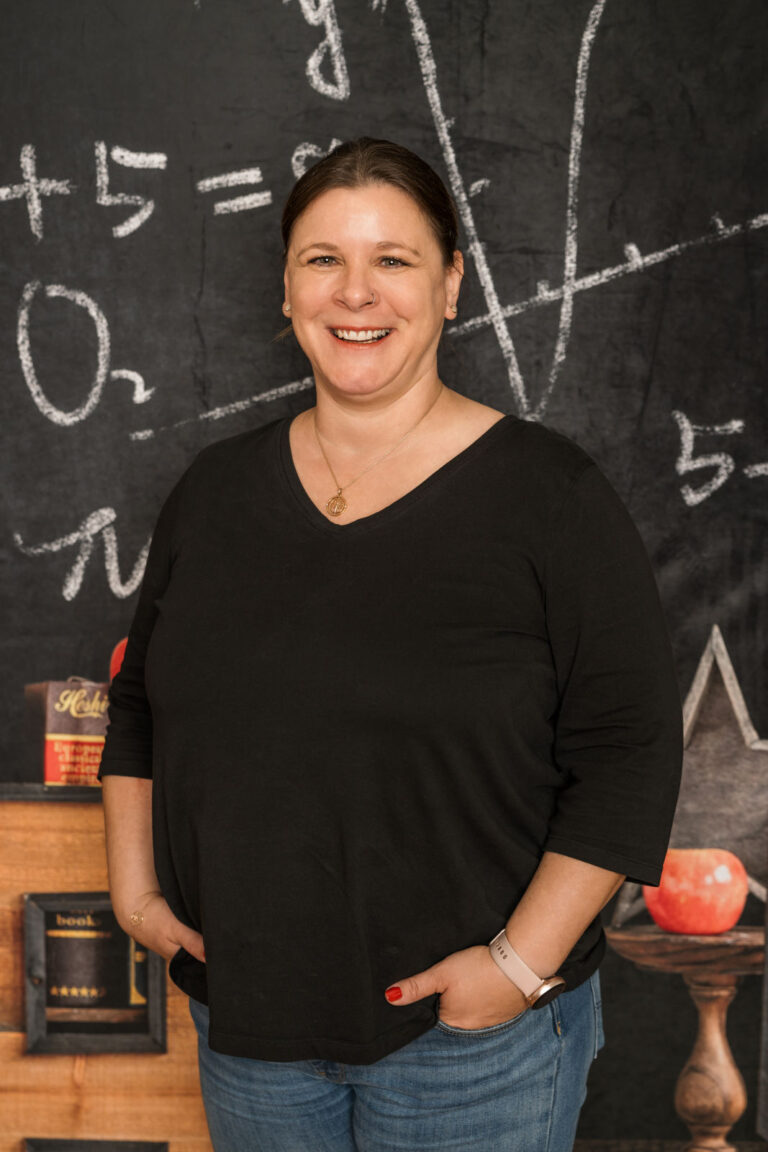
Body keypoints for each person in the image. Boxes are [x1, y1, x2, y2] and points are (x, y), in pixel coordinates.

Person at [99, 137, 683, 1152]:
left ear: (451, 286)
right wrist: (135, 892)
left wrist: (515, 967)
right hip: (252, 1032)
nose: (355, 292)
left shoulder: (551, 498)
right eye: (323, 259)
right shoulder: (212, 493)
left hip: (473, 1049)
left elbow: (629, 751)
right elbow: (143, 702)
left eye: (394, 260)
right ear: (287, 288)